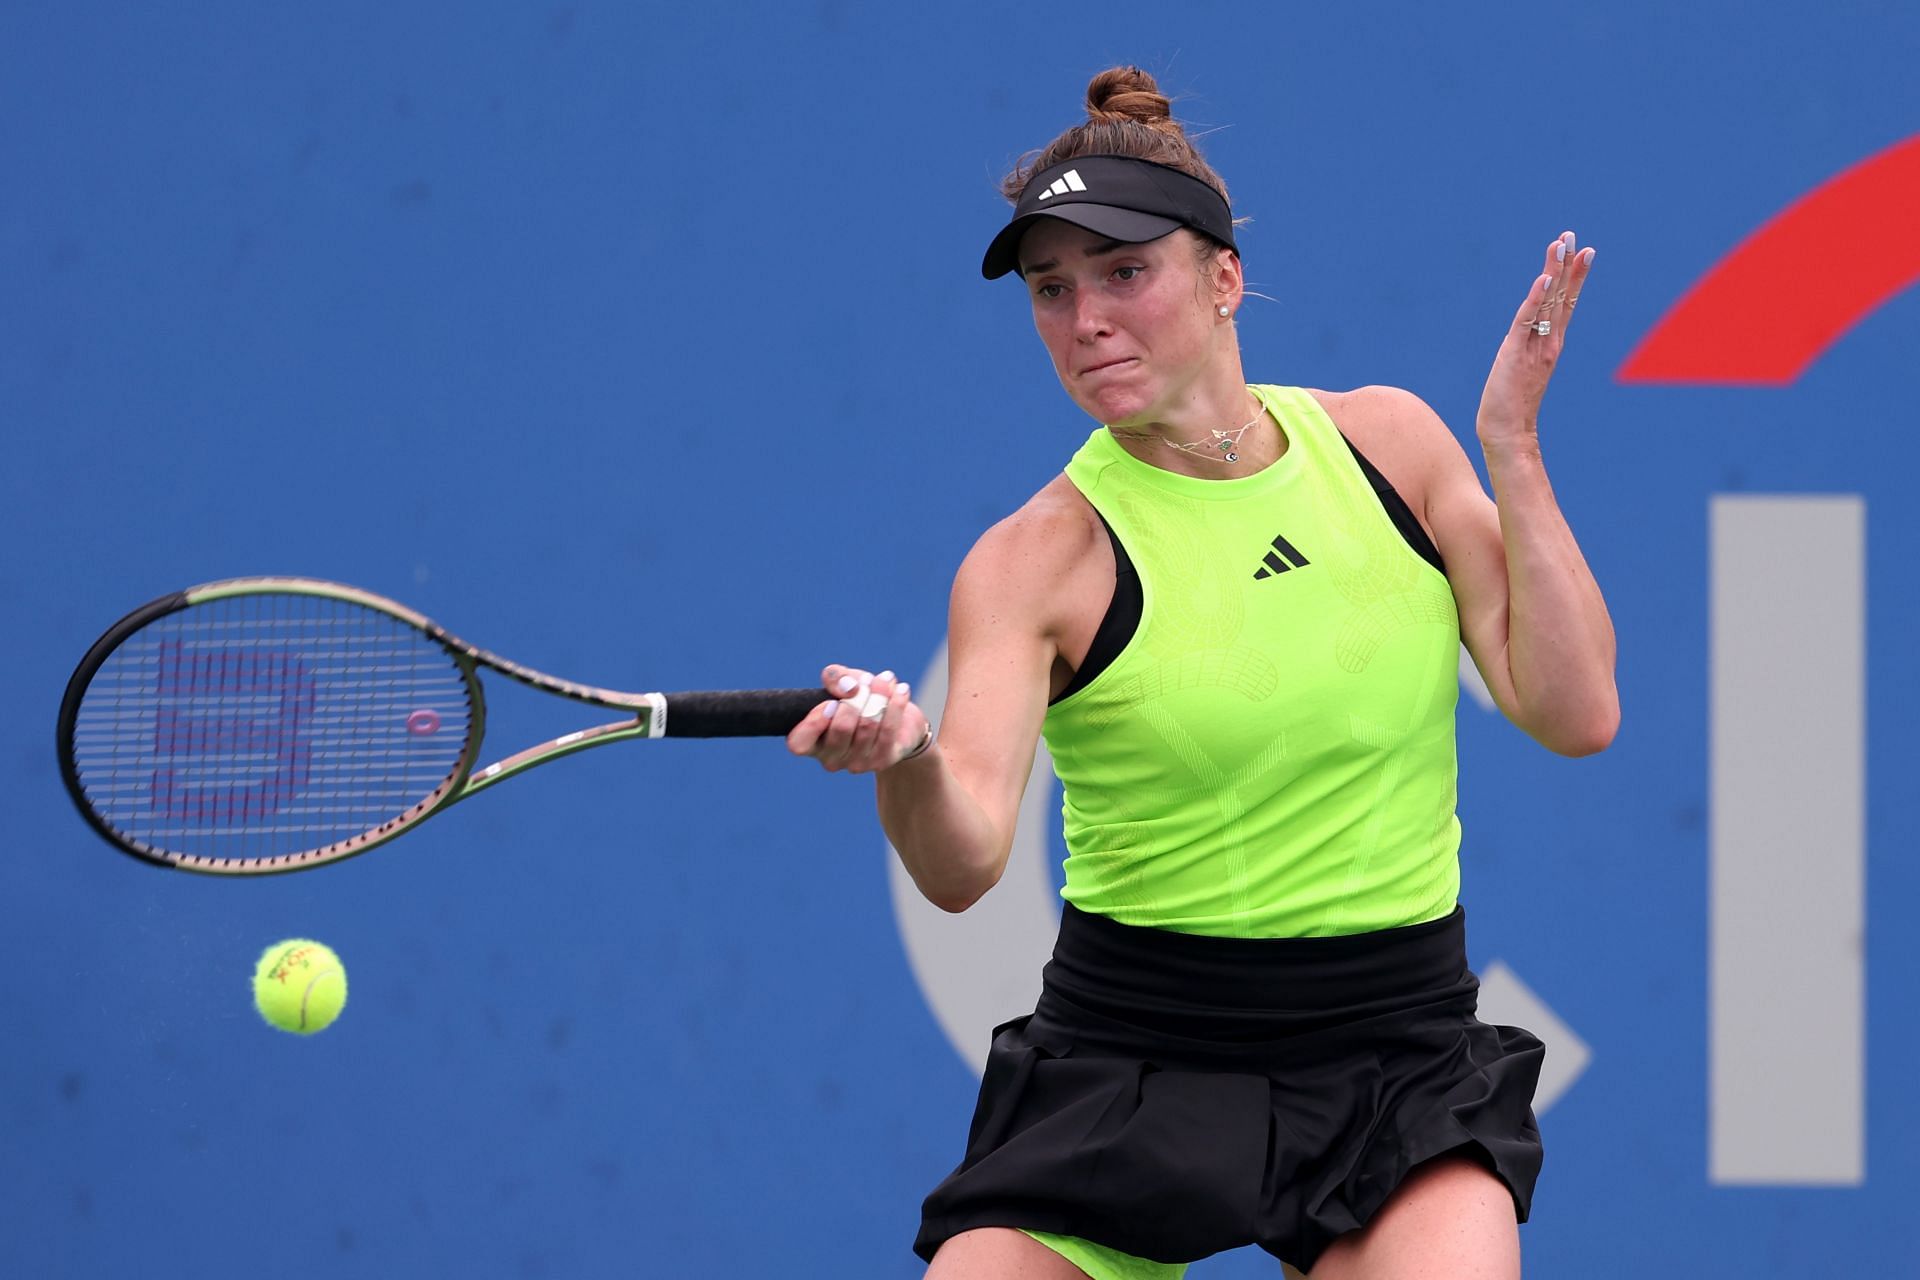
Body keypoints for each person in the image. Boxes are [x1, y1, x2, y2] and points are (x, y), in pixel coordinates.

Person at [787, 65, 1617, 1280]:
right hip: (1130, 1058)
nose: (1087, 320)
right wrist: (904, 759)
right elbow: (962, 860)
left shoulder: (1389, 445)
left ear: (1225, 278)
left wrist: (1513, 450)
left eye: (1125, 273)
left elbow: (1576, 708)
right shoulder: (1037, 561)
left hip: (1393, 1055)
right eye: (1051, 290)